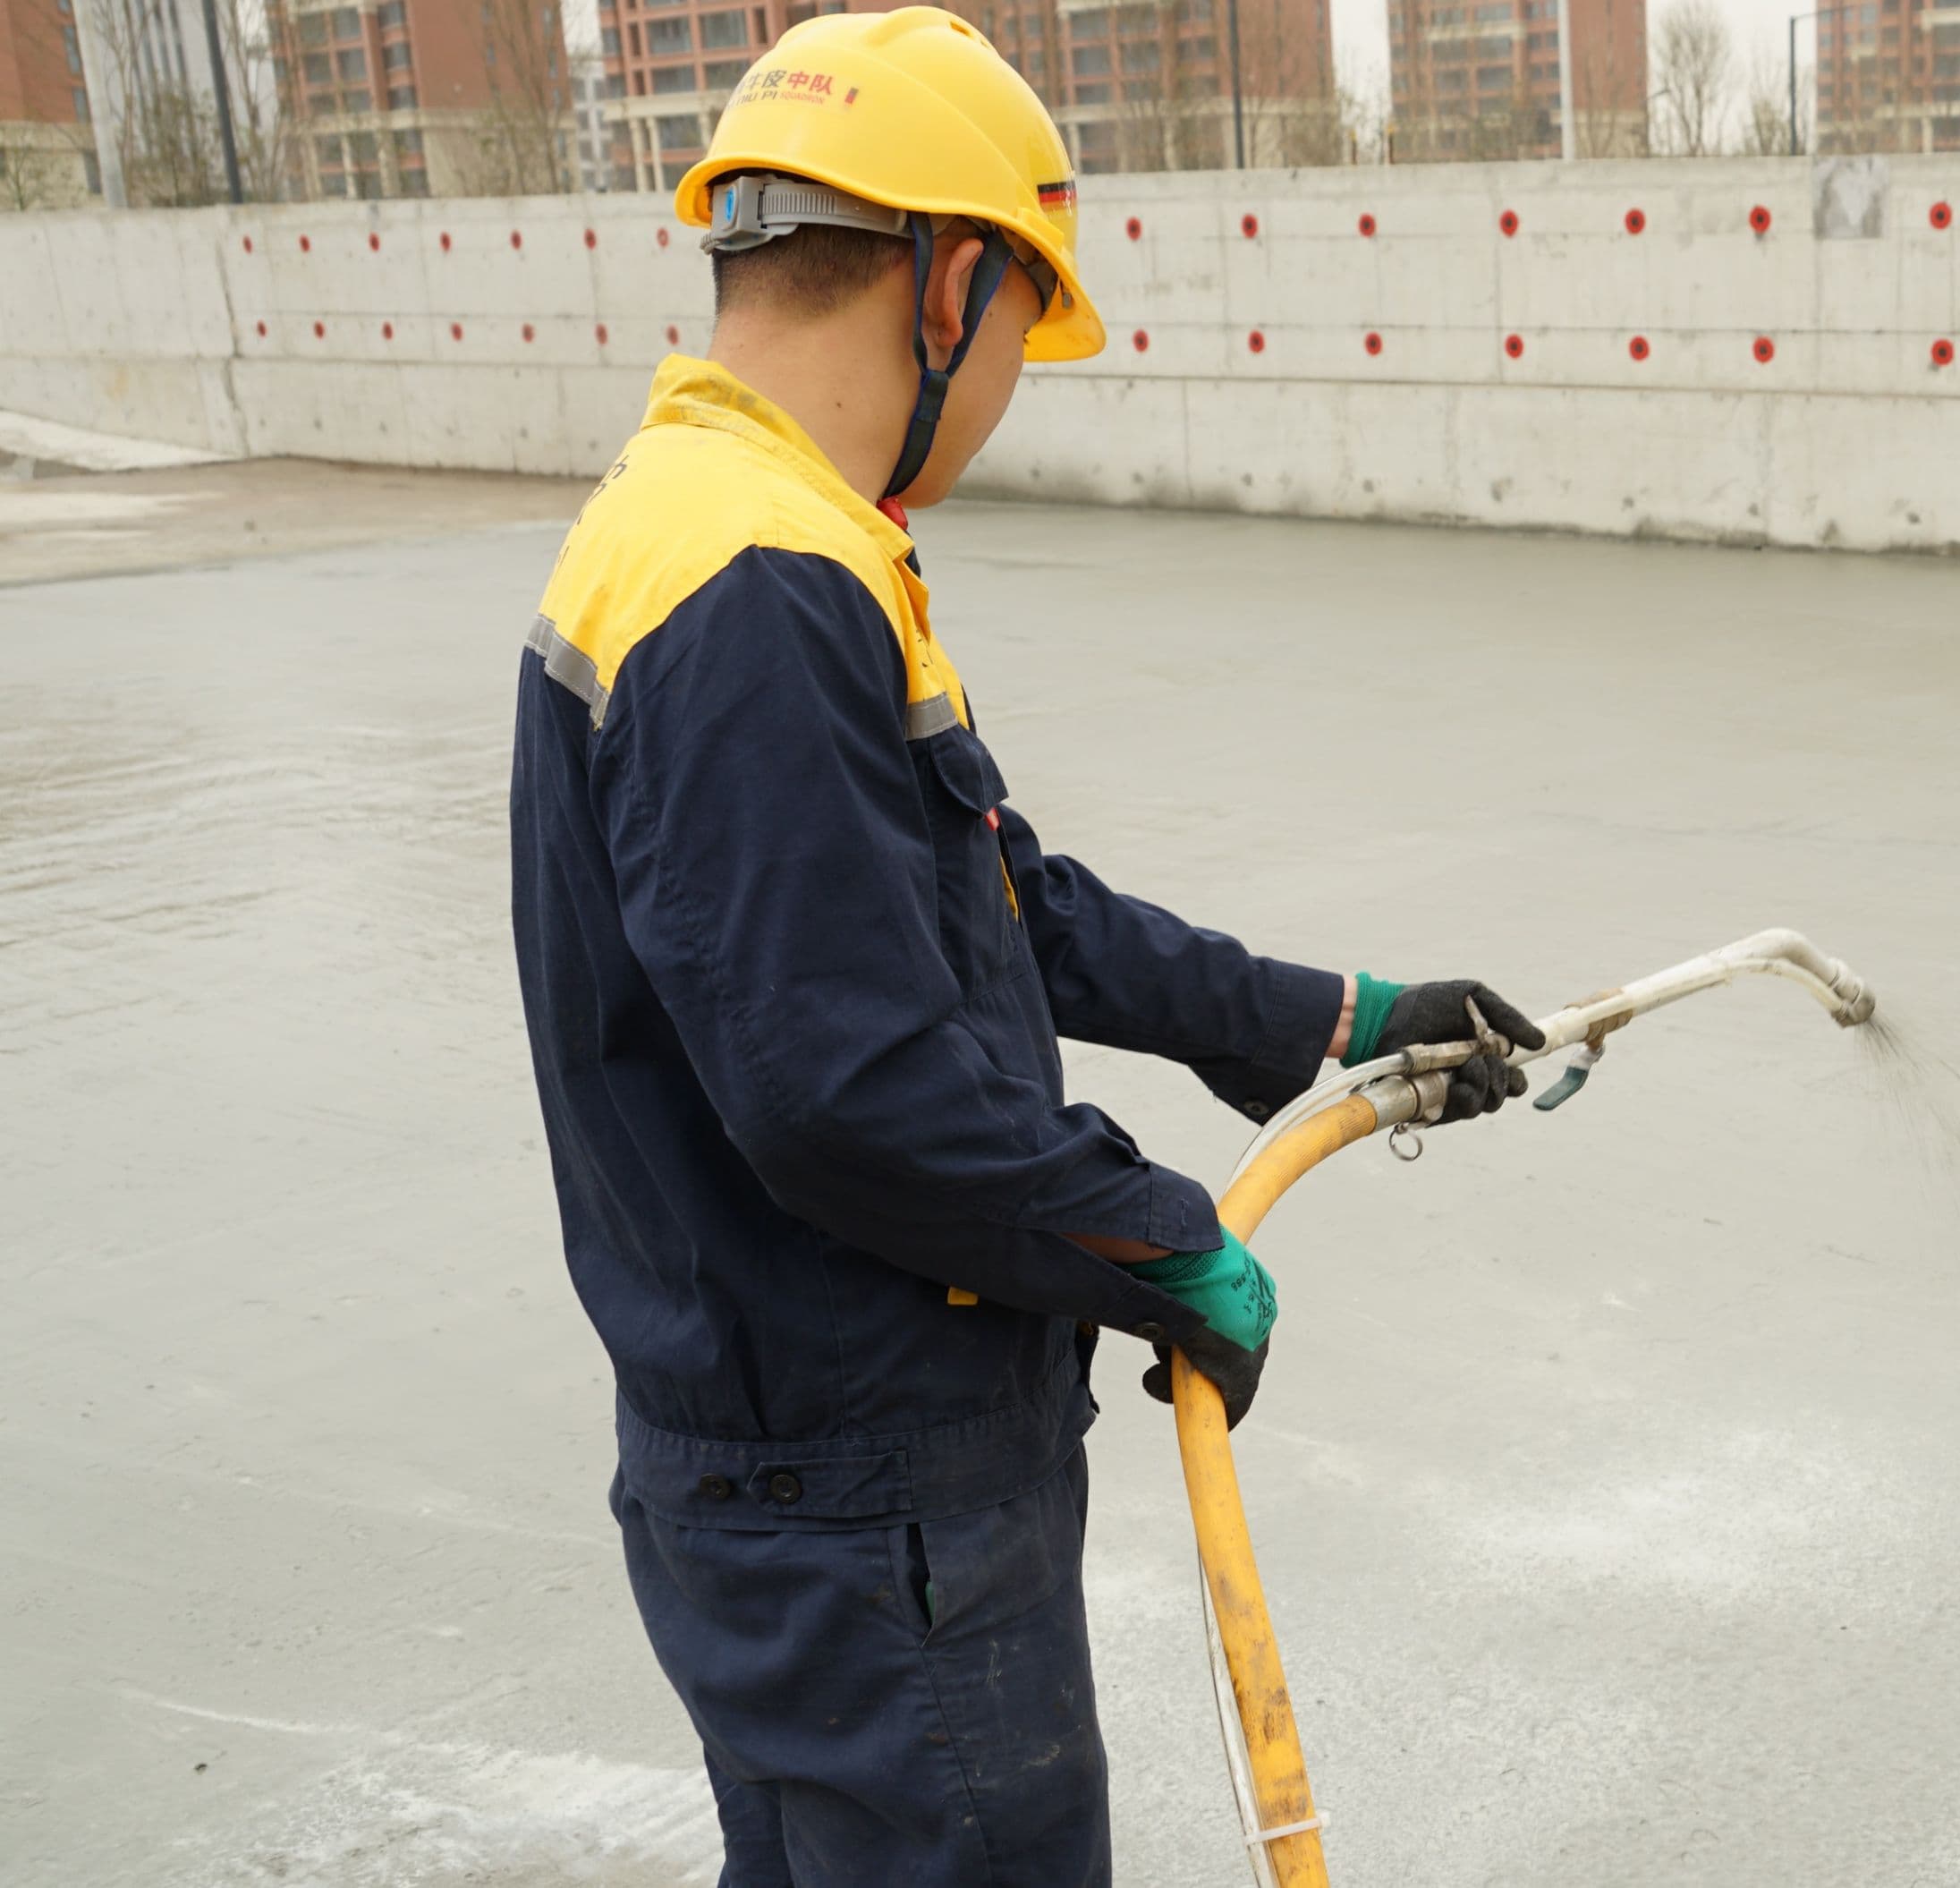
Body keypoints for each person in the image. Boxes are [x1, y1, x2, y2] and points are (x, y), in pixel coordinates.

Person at [505, 12, 1538, 1881]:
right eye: (1012, 332)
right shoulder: (756, 587)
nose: (1001, 387)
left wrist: (1328, 1017)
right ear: (948, 276)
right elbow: (845, 1090)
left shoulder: (727, 530)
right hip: (868, 1499)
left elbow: (998, 903)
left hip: (793, 1478)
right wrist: (1159, 1238)